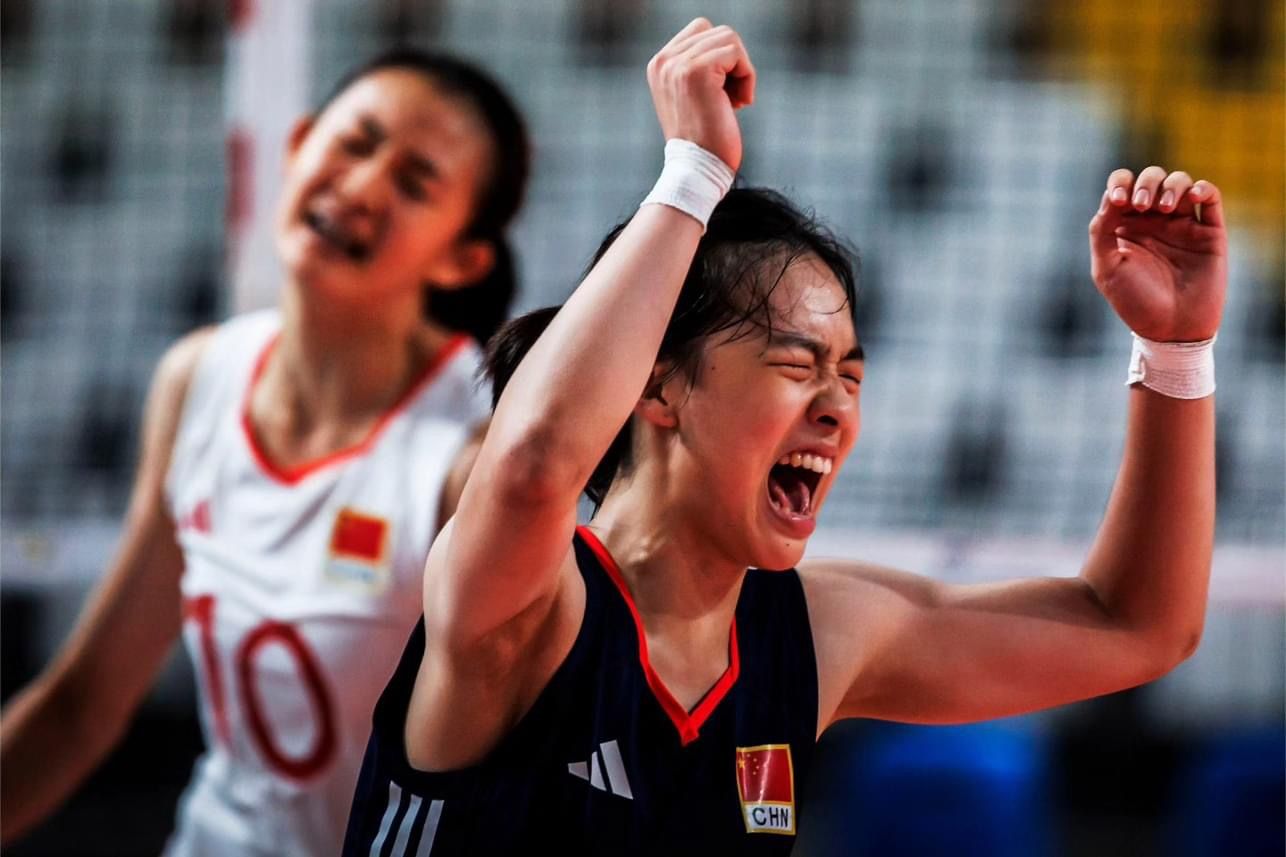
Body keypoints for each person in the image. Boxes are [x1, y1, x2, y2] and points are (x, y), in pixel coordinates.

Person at [342, 18, 1226, 857]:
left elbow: (1137, 626)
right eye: (799, 365)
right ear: (656, 383)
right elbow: (535, 464)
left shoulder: (813, 637)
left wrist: (1177, 352)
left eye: (852, 376)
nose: (838, 408)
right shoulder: (530, 604)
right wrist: (692, 174)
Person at [0, 48, 531, 856]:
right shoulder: (198, 378)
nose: (361, 188)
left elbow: (527, 773)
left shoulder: (473, 452)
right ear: (299, 144)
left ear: (463, 257)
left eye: (415, 181)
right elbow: (82, 704)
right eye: (355, 142)